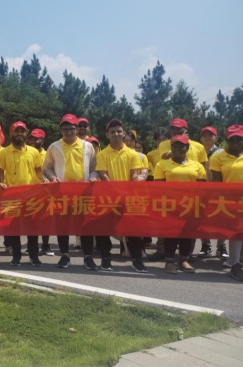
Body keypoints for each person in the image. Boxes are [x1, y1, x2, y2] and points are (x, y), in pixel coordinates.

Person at [43, 114, 99, 269]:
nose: (69, 132)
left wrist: (93, 177)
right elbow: (47, 168)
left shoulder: (87, 146)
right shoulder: (54, 147)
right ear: (61, 130)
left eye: (72, 128)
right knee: (63, 226)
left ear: (77, 129)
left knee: (85, 226)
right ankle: (65, 256)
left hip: (83, 193)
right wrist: (52, 177)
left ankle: (88, 257)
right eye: (65, 129)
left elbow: (94, 168)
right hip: (62, 193)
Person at [95, 119, 147, 273]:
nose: (116, 134)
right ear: (107, 135)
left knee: (134, 230)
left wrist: (125, 194)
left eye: (119, 131)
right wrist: (116, 193)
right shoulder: (102, 154)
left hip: (129, 197)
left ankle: (136, 260)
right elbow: (103, 175)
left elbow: (134, 176)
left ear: (123, 133)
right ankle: (106, 258)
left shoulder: (132, 154)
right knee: (104, 230)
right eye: (112, 132)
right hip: (108, 198)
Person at [153, 135, 207, 274]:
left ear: (187, 148)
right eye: (175, 146)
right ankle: (169, 262)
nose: (178, 148)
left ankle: (183, 260)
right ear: (171, 148)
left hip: (190, 205)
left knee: (187, 234)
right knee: (171, 234)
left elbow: (202, 187)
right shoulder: (161, 165)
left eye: (181, 146)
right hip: (170, 205)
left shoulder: (197, 166)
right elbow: (159, 187)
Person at [0, 121, 43, 267]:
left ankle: (34, 256)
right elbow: (0, 171)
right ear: (11, 133)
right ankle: (16, 256)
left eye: (22, 131)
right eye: (16, 131)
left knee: (32, 228)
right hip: (12, 196)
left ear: (26, 133)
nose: (19, 134)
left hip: (31, 196)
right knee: (14, 228)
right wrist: (1, 182)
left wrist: (45, 180)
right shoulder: (3, 152)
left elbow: (38, 170)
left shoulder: (34, 152)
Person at [210, 125, 243, 281]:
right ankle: (234, 263)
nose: (235, 142)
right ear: (226, 140)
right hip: (231, 201)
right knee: (236, 231)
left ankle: (236, 261)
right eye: (232, 139)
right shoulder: (218, 157)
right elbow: (217, 183)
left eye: (239, 139)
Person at [198, 126, 228, 259]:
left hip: (218, 190)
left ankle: (221, 247)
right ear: (200, 138)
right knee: (202, 219)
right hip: (202, 190)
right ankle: (205, 246)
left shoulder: (221, 153)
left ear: (216, 137)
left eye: (210, 135)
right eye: (204, 135)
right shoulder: (197, 150)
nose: (207, 138)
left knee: (221, 219)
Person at [27, 128, 52, 256]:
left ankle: (45, 245)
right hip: (28, 192)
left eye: (36, 139)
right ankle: (31, 246)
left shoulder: (48, 154)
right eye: (31, 138)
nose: (32, 141)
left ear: (42, 141)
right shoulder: (25, 152)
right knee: (31, 221)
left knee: (45, 221)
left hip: (45, 192)